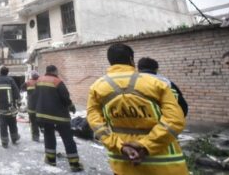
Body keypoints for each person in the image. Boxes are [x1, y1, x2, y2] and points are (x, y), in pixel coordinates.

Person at [87, 43, 188, 175]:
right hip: (165, 165)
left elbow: (96, 124)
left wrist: (119, 146)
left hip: (123, 165)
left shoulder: (97, 88)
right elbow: (175, 120)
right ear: (131, 60)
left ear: (110, 61)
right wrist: (146, 146)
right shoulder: (157, 84)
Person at [35, 65, 83, 172]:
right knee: (67, 138)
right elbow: (65, 98)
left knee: (49, 137)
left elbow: (36, 96)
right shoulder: (57, 82)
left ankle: (51, 160)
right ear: (55, 71)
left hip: (43, 116)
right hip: (60, 117)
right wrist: (72, 107)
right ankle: (74, 164)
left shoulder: (39, 80)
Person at [0, 66, 20, 148]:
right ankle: (14, 138)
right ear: (7, 73)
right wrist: (19, 103)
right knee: (12, 123)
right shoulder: (10, 80)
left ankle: (4, 142)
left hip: (0, 109)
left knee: (2, 125)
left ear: (0, 72)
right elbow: (16, 92)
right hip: (11, 108)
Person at [20, 70, 40, 142]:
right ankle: (46, 134)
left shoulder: (27, 83)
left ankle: (35, 136)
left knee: (33, 122)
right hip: (41, 107)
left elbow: (22, 88)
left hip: (31, 106)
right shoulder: (41, 82)